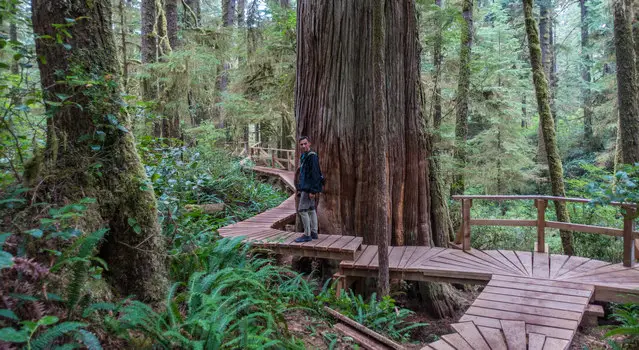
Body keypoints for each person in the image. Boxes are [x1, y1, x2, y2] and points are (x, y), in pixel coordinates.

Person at [294, 136, 324, 243]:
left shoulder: (312, 156)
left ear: (309, 144)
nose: (303, 146)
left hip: (308, 188)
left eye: (305, 143)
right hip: (305, 187)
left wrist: (313, 191)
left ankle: (307, 235)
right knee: (311, 209)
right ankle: (314, 233)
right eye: (301, 144)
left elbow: (316, 175)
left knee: (302, 210)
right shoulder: (304, 156)